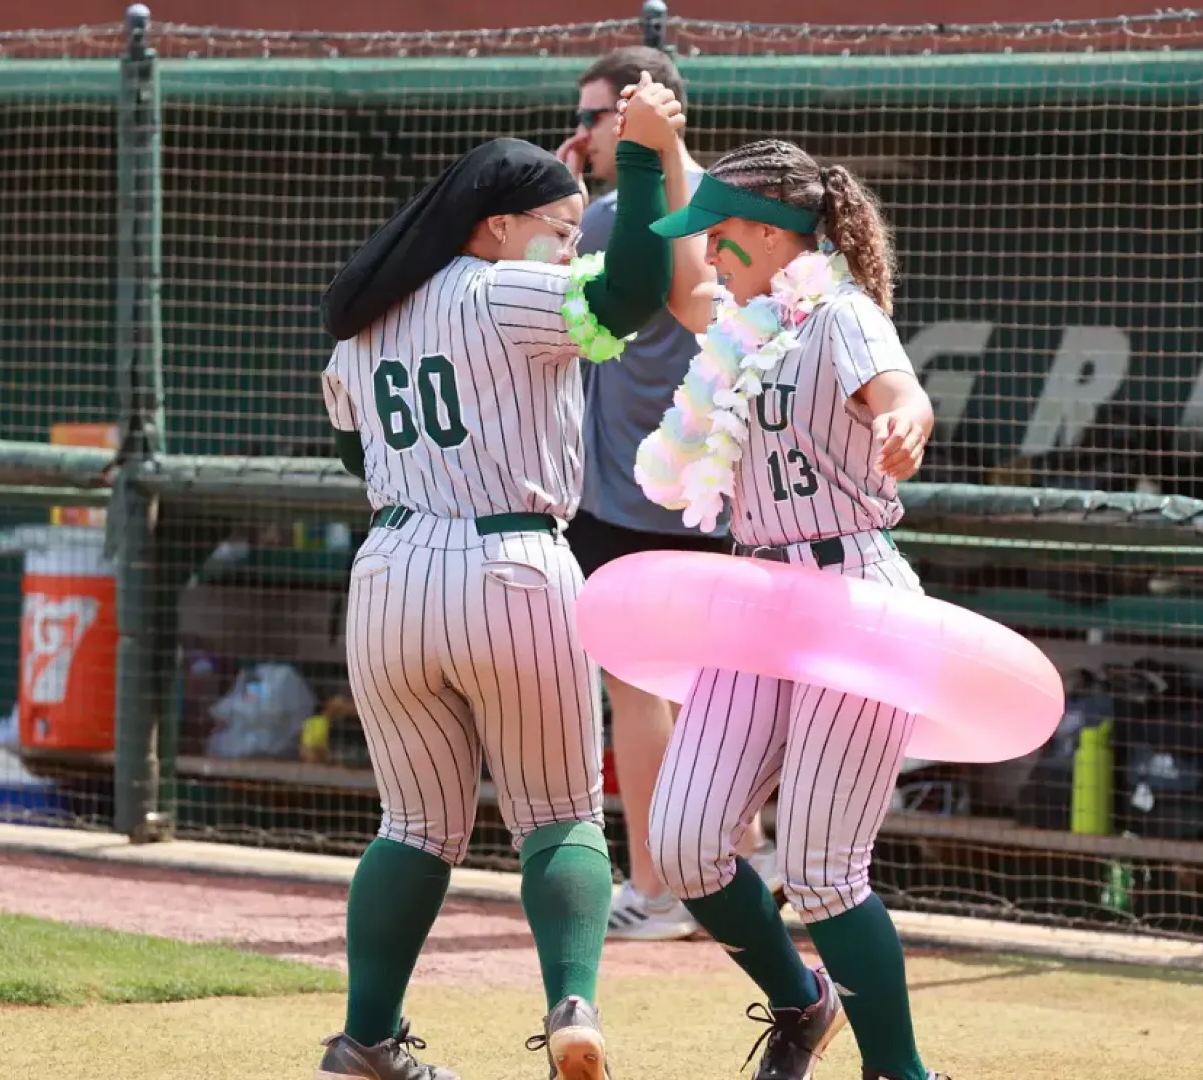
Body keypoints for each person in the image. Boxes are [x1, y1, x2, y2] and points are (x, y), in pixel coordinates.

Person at [310, 75, 688, 1080]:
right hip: (513, 563)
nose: (569, 244)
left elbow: (352, 454)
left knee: (416, 826)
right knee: (558, 813)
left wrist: (551, 204)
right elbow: (634, 294)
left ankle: (366, 1040)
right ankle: (571, 1006)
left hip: (390, 569)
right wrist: (644, 164)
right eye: (556, 228)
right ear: (492, 227)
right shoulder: (503, 287)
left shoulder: (367, 319)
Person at [638, 137, 951, 1080]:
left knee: (821, 872)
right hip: (756, 592)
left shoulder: (839, 314)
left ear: (773, 235)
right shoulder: (749, 322)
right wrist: (664, 154)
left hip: (849, 589)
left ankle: (899, 1072)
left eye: (721, 234)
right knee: (685, 843)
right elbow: (682, 282)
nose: (710, 251)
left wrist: (908, 419)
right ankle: (800, 1001)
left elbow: (899, 390)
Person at [554, 43, 782, 942]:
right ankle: (738, 858)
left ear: (639, 112)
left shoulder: (614, 214)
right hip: (719, 496)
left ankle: (654, 886)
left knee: (639, 693)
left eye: (591, 117)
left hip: (635, 499)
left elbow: (533, 280)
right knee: (710, 695)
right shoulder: (737, 209)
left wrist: (563, 199)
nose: (580, 132)